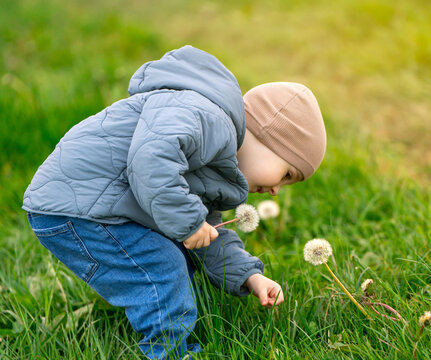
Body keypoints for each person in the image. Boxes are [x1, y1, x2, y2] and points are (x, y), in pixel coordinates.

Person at [22, 45, 326, 359]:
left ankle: (167, 325)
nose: (278, 190)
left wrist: (250, 275)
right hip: (80, 201)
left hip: (93, 204)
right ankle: (169, 352)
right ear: (268, 137)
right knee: (161, 265)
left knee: (179, 250)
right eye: (288, 174)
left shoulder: (216, 162)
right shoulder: (208, 119)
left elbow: (210, 232)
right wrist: (189, 222)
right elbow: (151, 160)